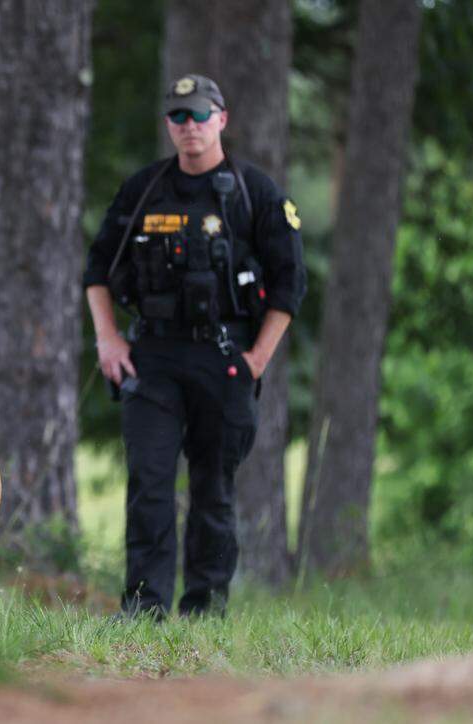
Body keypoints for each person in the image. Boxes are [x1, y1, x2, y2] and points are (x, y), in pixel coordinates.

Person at [83, 74, 307, 619]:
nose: (190, 127)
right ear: (169, 125)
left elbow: (290, 286)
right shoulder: (143, 190)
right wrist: (108, 339)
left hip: (225, 359)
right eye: (179, 117)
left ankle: (205, 608)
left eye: (200, 115)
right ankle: (144, 608)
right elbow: (97, 271)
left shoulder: (255, 193)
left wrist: (257, 359)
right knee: (149, 485)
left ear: (222, 119)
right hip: (152, 358)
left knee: (212, 489)